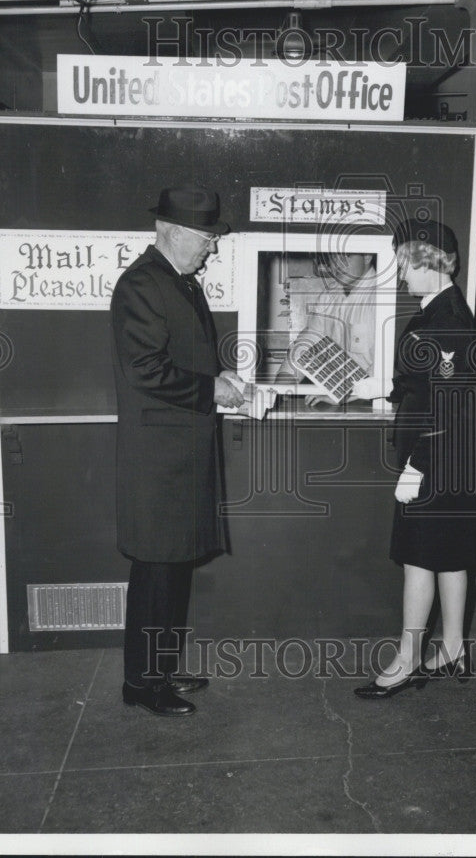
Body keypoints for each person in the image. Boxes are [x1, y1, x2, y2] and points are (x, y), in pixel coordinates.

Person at [110, 185, 244, 717]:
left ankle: (160, 668)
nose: (212, 247)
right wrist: (210, 389)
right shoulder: (142, 285)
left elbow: (184, 357)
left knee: (174, 569)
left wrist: (220, 373)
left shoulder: (179, 282)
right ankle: (141, 685)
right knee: (156, 572)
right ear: (174, 232)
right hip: (159, 460)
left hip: (179, 456)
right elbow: (145, 370)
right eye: (207, 238)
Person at [351, 218, 476, 698]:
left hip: (439, 458)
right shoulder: (436, 311)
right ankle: (452, 649)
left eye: (405, 264)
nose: (401, 274)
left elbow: (449, 403)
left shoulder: (447, 320)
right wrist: (378, 390)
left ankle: (406, 661)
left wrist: (418, 464)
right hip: (452, 458)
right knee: (448, 556)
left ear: (429, 262)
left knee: (418, 561)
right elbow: (420, 384)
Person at [275, 252, 377, 402]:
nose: (337, 263)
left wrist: (345, 394)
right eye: (334, 257)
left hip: (371, 401)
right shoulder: (329, 295)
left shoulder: (382, 296)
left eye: (346, 256)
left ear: (367, 257)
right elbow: (309, 340)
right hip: (333, 396)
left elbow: (385, 364)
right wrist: (284, 381)